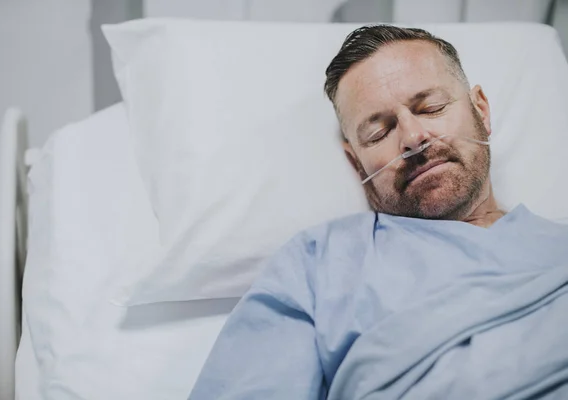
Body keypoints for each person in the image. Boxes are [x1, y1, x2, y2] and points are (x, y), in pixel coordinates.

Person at [189, 25, 568, 399]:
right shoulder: (320, 264)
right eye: (379, 132)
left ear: (481, 111)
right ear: (356, 164)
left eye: (431, 108)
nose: (414, 137)